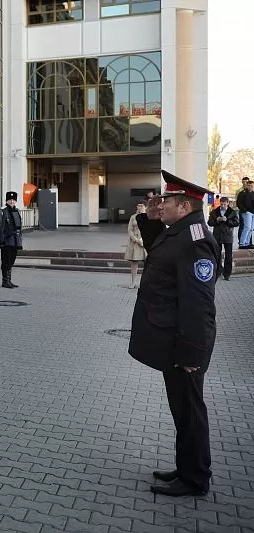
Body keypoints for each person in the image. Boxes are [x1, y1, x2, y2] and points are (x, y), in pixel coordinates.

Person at [129, 170, 220, 497]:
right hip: (175, 340)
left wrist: (191, 352)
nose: (159, 203)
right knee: (182, 409)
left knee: (190, 411)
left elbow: (199, 304)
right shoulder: (180, 232)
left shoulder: (195, 241)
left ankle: (195, 479)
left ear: (183, 206)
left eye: (166, 201)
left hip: (185, 346)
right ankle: (186, 468)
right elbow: (161, 255)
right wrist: (151, 219)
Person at [208, 196, 239, 281]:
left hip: (228, 237)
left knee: (228, 256)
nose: (223, 206)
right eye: (221, 204)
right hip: (217, 237)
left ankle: (227, 274)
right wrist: (217, 220)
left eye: (224, 204)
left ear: (228, 203)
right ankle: (218, 272)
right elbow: (209, 222)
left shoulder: (232, 212)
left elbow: (236, 223)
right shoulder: (215, 212)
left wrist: (227, 220)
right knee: (217, 255)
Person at [0, 191, 23, 288]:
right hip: (7, 240)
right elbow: (1, 227)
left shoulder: (17, 211)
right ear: (6, 200)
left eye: (13, 200)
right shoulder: (3, 211)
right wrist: (1, 241)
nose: (12, 202)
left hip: (15, 239)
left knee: (12, 259)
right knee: (6, 260)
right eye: (10, 200)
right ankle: (5, 281)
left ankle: (9, 279)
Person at [124, 201, 147, 289]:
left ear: (145, 207)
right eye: (138, 206)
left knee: (147, 263)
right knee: (134, 262)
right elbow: (130, 229)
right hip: (135, 242)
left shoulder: (148, 217)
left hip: (145, 241)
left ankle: (145, 283)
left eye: (141, 206)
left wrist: (143, 239)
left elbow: (150, 230)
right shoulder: (133, 217)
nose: (139, 207)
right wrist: (136, 239)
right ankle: (133, 282)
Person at [236, 178, 253, 249]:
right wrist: (245, 211)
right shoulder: (242, 193)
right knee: (247, 227)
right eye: (249, 185)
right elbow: (238, 203)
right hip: (247, 213)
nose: (250, 187)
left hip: (253, 213)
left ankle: (247, 243)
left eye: (252, 186)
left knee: (251, 228)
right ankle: (242, 243)